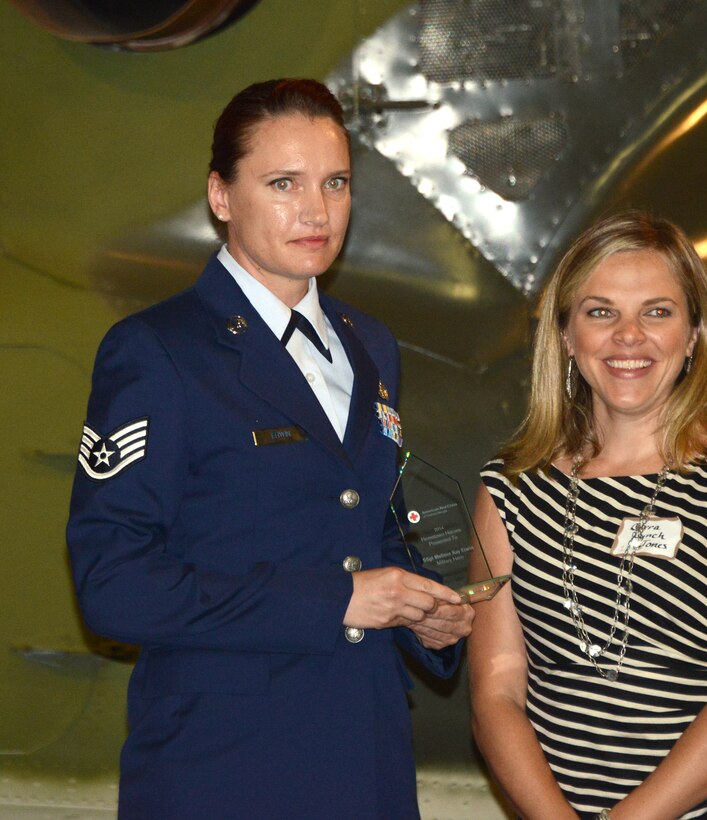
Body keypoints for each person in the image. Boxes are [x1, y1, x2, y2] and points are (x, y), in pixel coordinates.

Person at [67, 78, 473, 819]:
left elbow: (372, 524)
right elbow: (114, 583)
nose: (316, 211)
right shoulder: (158, 351)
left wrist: (427, 614)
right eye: (283, 183)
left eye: (336, 183)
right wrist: (339, 598)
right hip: (223, 769)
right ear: (221, 195)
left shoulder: (368, 343)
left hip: (368, 757)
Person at [469, 211, 707, 819]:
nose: (630, 336)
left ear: (695, 333)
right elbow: (496, 694)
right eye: (601, 312)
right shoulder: (509, 490)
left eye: (658, 311)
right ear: (568, 336)